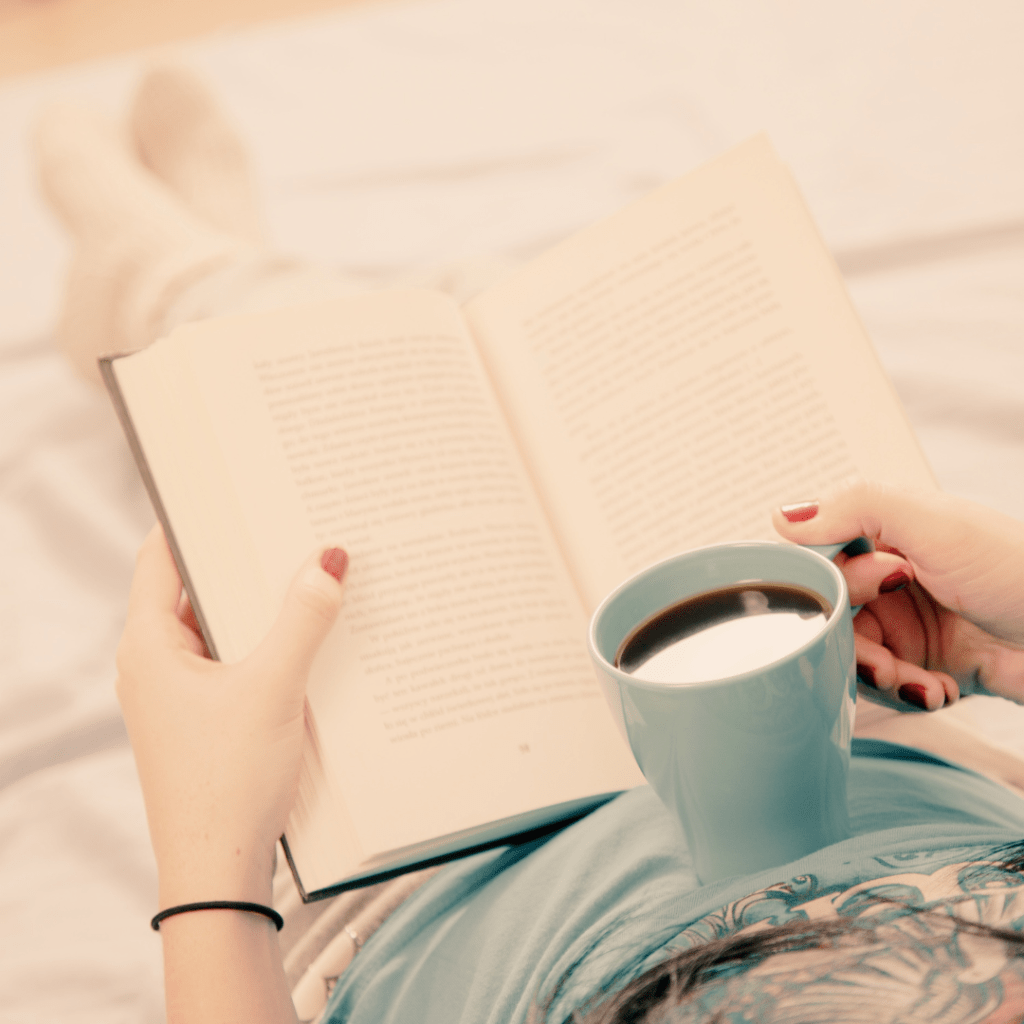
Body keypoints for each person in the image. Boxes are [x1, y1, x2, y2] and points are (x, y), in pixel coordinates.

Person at [37, 67, 1024, 1024]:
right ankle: (216, 271)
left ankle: (170, 275)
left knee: (357, 421)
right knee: (550, 367)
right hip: (845, 735)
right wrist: (1010, 641)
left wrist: (206, 856)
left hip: (443, 876)